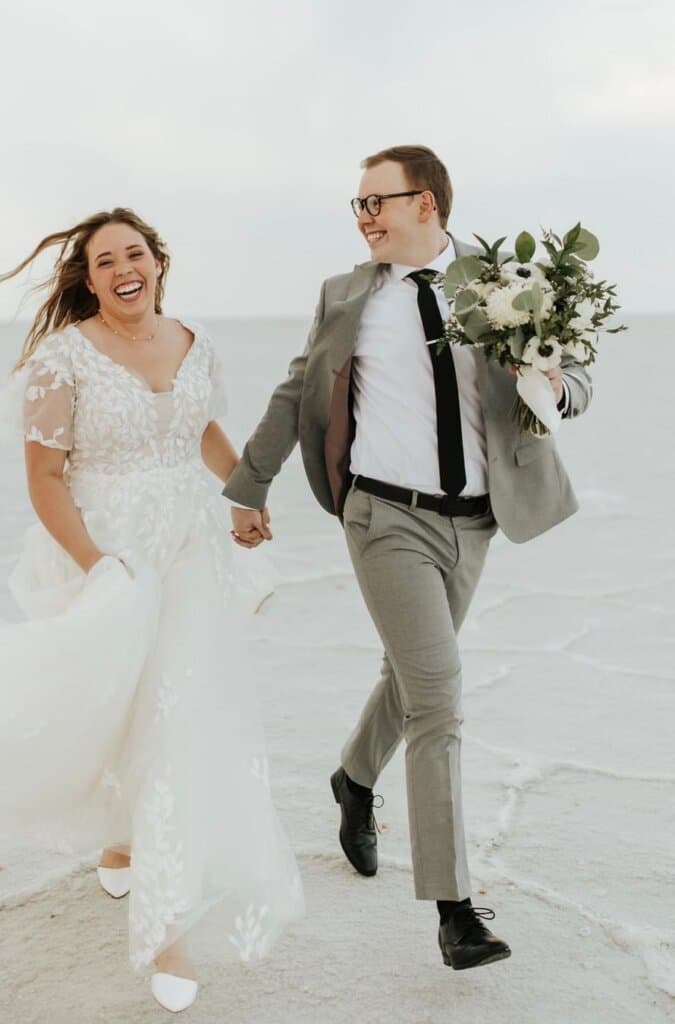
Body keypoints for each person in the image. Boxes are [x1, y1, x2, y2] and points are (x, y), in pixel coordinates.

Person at [0, 208, 303, 1013]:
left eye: (134, 253)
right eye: (105, 261)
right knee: (121, 711)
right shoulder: (61, 362)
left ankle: (164, 920)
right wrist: (100, 568)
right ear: (88, 280)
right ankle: (123, 844)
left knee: (179, 718)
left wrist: (246, 494)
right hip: (109, 552)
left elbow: (201, 429)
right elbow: (43, 480)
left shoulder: (194, 341)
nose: (122, 268)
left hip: (192, 553)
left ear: (157, 262)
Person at [224, 145, 592, 971]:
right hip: (382, 515)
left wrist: (549, 382)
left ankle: (353, 778)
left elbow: (572, 380)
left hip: (475, 523)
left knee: (412, 677)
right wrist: (249, 488)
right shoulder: (347, 295)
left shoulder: (508, 284)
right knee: (439, 700)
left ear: (425, 203)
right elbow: (297, 391)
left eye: (374, 202)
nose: (363, 218)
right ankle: (454, 910)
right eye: (355, 206)